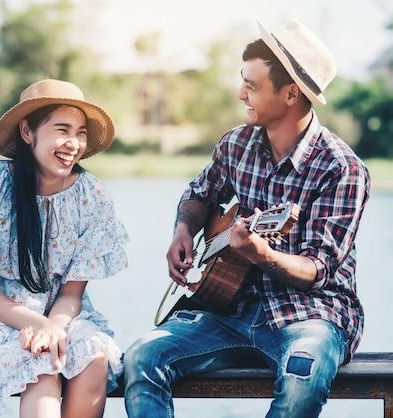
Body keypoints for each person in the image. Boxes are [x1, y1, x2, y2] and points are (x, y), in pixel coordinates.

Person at [124, 19, 370, 418]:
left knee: (301, 374)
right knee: (141, 357)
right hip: (228, 309)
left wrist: (262, 254)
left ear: (291, 94)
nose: (241, 93)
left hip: (311, 313)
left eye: (252, 86)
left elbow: (318, 270)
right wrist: (183, 231)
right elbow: (198, 195)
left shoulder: (342, 168)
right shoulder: (236, 143)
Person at [0, 79, 129, 418]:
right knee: (43, 367)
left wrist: (52, 326)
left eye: (81, 132)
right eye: (62, 129)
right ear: (28, 132)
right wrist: (35, 325)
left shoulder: (91, 197)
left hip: (63, 314)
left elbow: (72, 293)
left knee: (94, 357)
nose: (74, 143)